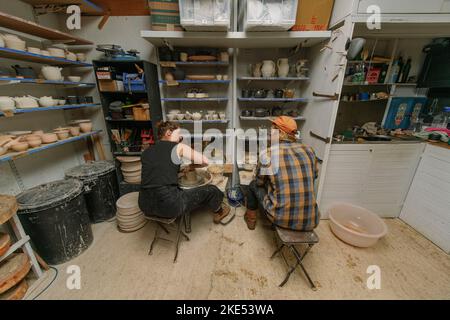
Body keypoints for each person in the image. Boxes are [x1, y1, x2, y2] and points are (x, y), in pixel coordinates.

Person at [138, 121, 230, 223]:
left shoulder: (146, 152)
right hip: (169, 206)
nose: (180, 137)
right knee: (212, 189)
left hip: (144, 205)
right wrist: (191, 166)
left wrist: (180, 170)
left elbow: (158, 172)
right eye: (178, 134)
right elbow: (205, 161)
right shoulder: (178, 146)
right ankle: (220, 212)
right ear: (168, 133)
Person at [244, 116, 320, 231]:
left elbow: (259, 182)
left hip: (280, 218)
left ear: (281, 133)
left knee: (252, 185)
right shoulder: (309, 150)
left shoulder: (268, 154)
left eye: (272, 131)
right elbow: (314, 176)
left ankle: (251, 219)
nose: (269, 134)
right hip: (311, 219)